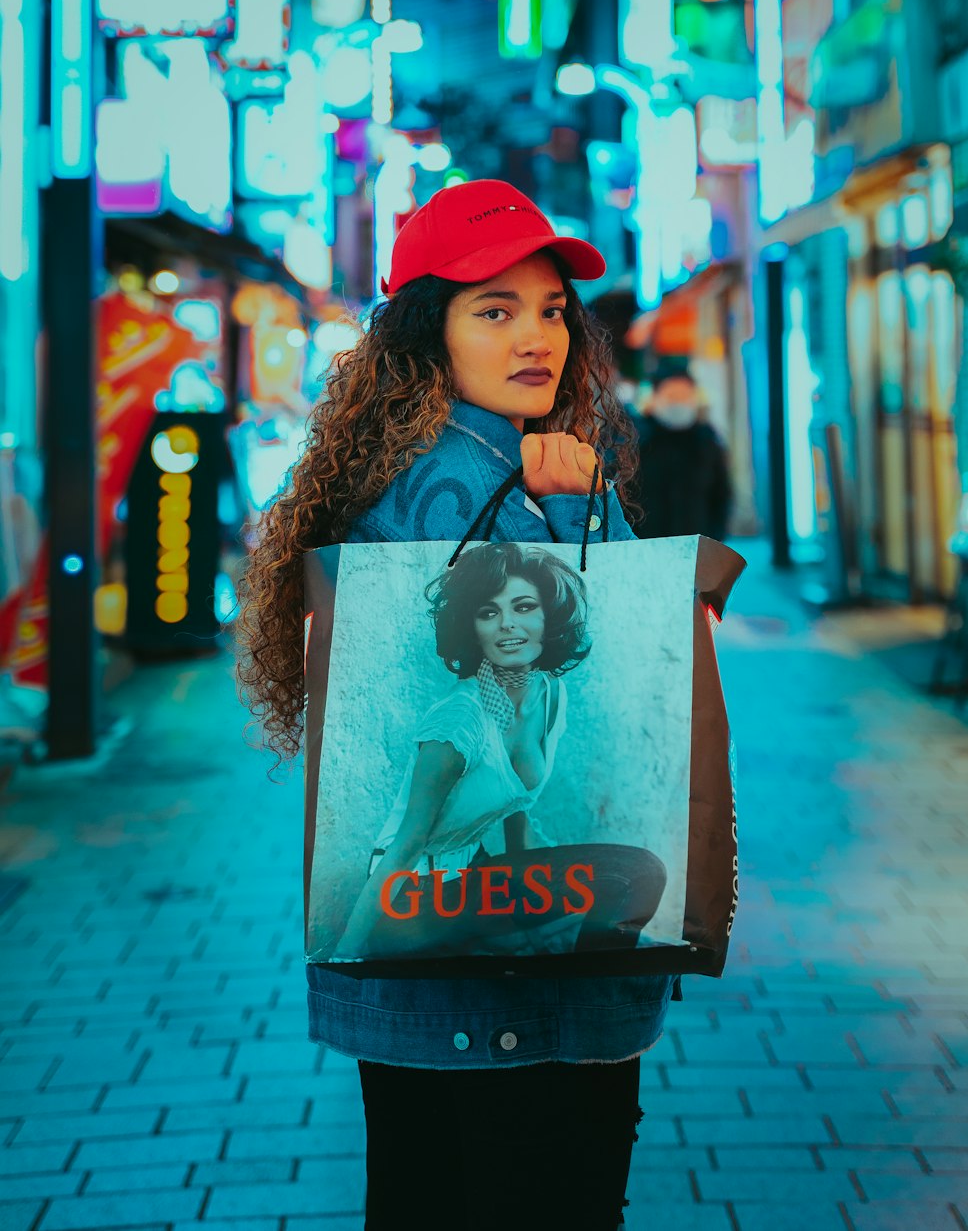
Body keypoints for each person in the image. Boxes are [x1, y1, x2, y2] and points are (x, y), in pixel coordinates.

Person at [237, 178, 676, 1231]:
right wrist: (580, 524)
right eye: (494, 309)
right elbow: (618, 680)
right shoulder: (461, 488)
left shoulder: (443, 465)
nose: (537, 336)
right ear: (426, 332)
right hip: (502, 988)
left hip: (439, 968)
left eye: (552, 310)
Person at [336, 541, 666, 961]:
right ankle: (566, 970)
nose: (507, 624)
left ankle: (574, 971)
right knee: (611, 900)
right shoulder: (458, 722)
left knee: (637, 875)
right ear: (472, 628)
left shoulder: (549, 695)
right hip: (414, 899)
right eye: (488, 613)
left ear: (550, 616)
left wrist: (533, 888)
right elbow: (405, 847)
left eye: (524, 607)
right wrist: (345, 955)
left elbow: (515, 806)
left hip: (477, 878)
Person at [633, 368, 732, 541]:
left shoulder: (707, 441)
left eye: (685, 396)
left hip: (696, 546)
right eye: (671, 396)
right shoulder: (636, 440)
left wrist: (715, 540)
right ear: (654, 398)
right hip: (646, 547)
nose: (679, 403)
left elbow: (721, 495)